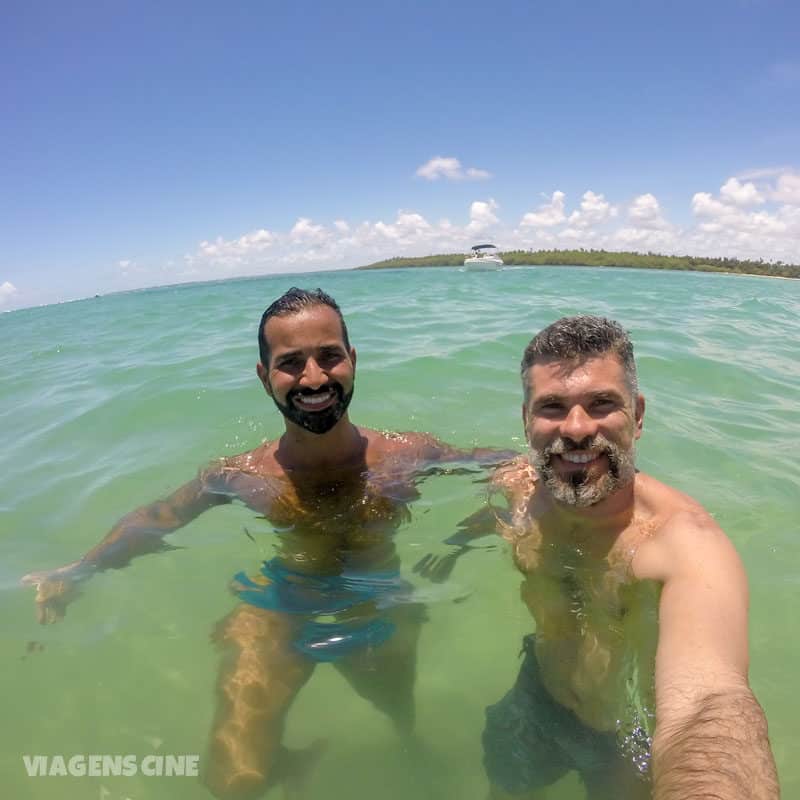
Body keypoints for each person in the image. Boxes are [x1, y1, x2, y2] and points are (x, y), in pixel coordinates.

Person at [22, 287, 513, 800]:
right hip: (278, 606)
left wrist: (536, 474)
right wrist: (77, 571)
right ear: (264, 376)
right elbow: (157, 519)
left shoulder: (408, 454)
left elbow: (494, 461)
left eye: (329, 356)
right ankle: (279, 765)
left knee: (398, 716)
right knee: (233, 780)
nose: (315, 378)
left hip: (378, 603)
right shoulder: (241, 476)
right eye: (290, 363)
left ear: (353, 360)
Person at [475, 315, 779, 799]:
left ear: (637, 416)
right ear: (526, 421)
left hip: (624, 735)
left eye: (601, 404)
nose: (576, 429)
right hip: (537, 692)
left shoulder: (682, 543)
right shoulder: (518, 487)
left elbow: (708, 699)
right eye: (552, 407)